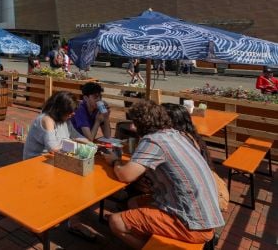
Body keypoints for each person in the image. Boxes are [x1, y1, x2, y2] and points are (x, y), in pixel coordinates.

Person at [102, 100, 223, 248]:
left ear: (144, 123)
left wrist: (115, 161)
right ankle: (148, 234)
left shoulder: (153, 140)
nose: (132, 127)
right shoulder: (177, 134)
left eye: (134, 122)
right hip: (206, 214)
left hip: (192, 223)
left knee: (116, 222)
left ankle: (152, 246)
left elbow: (126, 175)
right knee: (133, 203)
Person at [23, 92, 96, 241]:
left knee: (81, 181)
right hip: (37, 163)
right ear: (59, 109)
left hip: (54, 161)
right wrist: (80, 150)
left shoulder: (64, 119)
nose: (73, 114)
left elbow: (74, 134)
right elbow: (53, 147)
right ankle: (41, 220)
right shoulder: (47, 120)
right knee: (75, 182)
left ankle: (73, 222)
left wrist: (91, 144)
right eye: (70, 111)